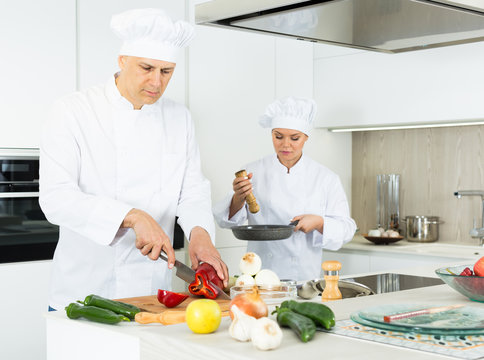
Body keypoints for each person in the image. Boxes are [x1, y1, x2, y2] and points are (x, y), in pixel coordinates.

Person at [40, 8, 228, 311]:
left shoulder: (179, 118)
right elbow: (55, 199)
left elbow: (192, 190)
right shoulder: (72, 111)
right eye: (147, 68)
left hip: (151, 294)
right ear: (122, 61)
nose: (156, 82)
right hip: (84, 292)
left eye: (166, 72)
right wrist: (133, 216)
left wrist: (201, 235)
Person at [213, 97, 356, 281]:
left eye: (294, 138)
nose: (285, 144)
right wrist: (238, 198)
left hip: (304, 278)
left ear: (306, 138)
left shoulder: (325, 178)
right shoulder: (252, 171)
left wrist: (319, 222)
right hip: (257, 276)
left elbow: (346, 229)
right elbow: (226, 221)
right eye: (278, 136)